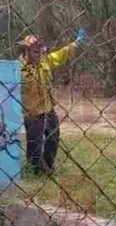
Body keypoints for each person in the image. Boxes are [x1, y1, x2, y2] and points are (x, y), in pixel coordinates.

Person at [18, 29, 87, 175]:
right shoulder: (17, 69)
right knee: (35, 144)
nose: (39, 54)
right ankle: (35, 170)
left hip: (48, 109)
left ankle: (48, 166)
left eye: (41, 51)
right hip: (32, 112)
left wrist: (76, 43)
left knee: (53, 139)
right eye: (35, 51)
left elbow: (62, 54)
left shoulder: (46, 61)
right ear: (27, 51)